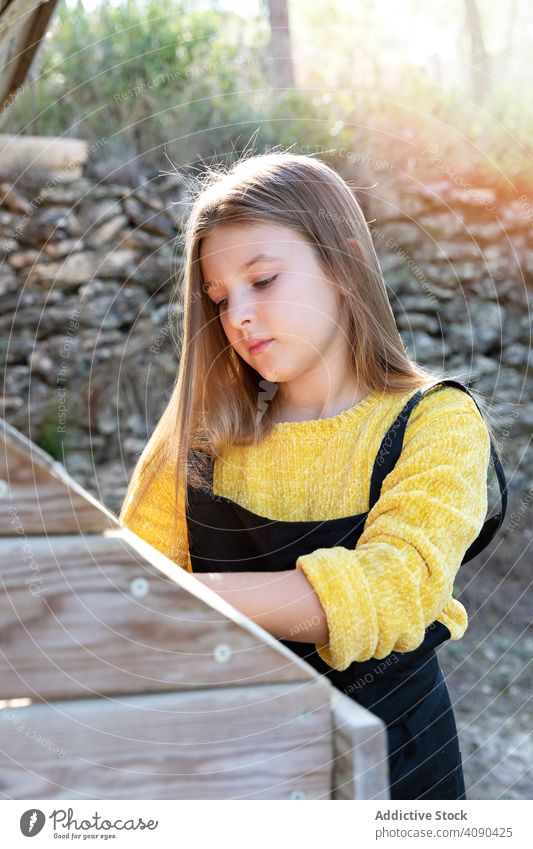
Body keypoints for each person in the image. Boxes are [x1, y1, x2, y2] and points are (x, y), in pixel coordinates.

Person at [119, 151, 507, 800]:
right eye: (219, 299)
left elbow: (396, 588)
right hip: (235, 775)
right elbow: (123, 609)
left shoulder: (433, 420)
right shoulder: (197, 448)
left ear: (343, 266)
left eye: (263, 279)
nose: (238, 314)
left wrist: (182, 594)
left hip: (396, 772)